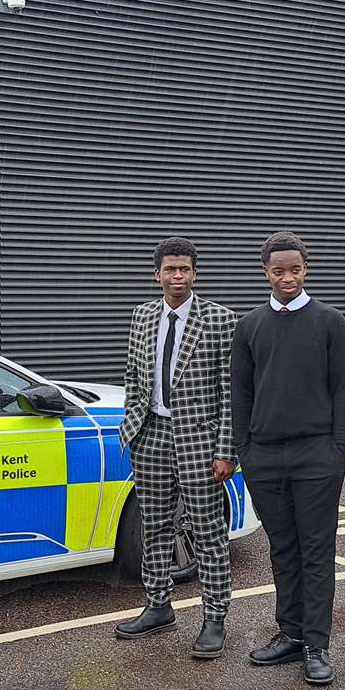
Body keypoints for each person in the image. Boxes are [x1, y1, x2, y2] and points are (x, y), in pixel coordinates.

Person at [231, 231, 345, 686]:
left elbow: (344, 389)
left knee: (317, 551)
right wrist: (245, 448)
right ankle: (290, 633)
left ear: (306, 270)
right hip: (263, 457)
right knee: (283, 551)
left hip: (316, 455)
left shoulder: (330, 321)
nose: (288, 277)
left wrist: (338, 449)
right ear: (265, 272)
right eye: (278, 270)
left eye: (295, 269)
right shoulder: (250, 326)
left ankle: (317, 645)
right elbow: (241, 392)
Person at [114, 237, 239, 659]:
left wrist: (226, 449)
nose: (178, 276)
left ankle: (214, 618)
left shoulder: (221, 320)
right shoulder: (142, 316)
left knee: (208, 532)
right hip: (150, 435)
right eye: (170, 269)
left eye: (184, 269)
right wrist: (132, 425)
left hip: (200, 441)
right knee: (155, 527)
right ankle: (158, 606)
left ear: (195, 273)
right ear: (157, 274)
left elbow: (231, 391)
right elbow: (133, 374)